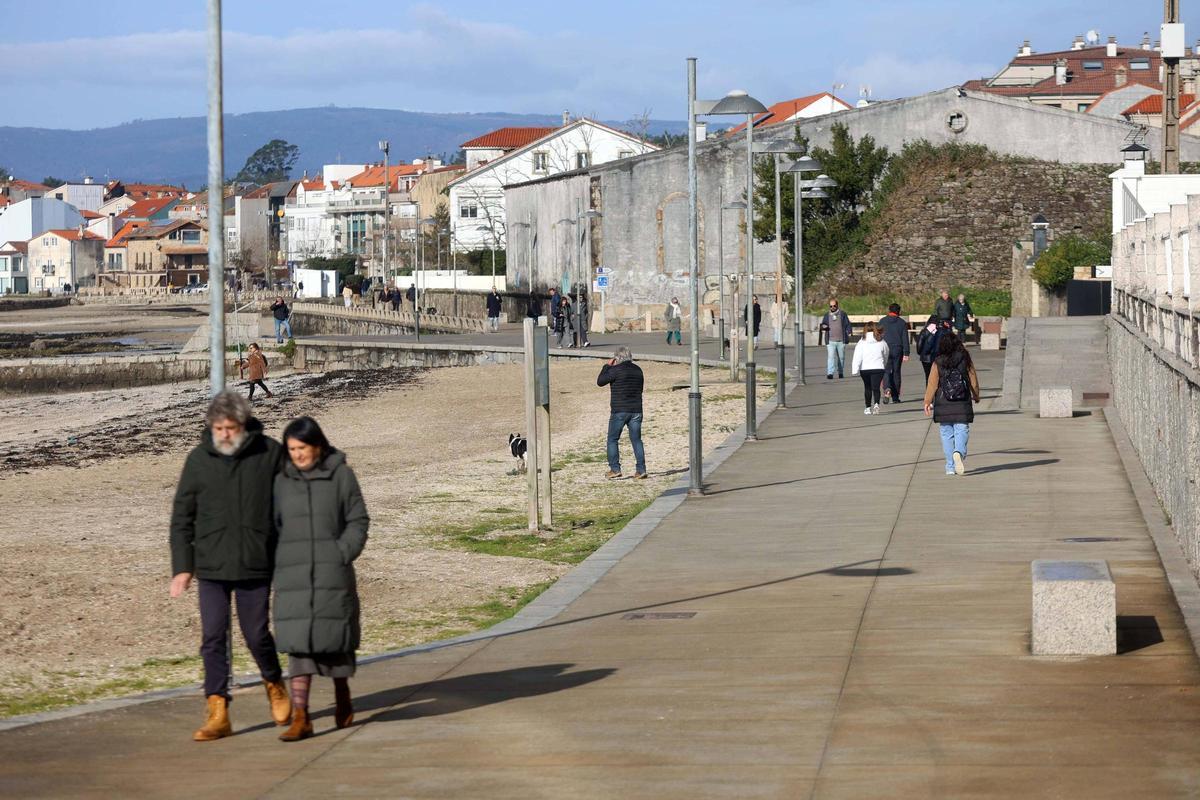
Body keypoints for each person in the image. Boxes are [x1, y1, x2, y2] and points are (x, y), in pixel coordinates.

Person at [169, 390, 291, 741]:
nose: (224, 433)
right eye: (218, 427)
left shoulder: (269, 454)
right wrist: (182, 567)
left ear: (243, 424)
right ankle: (217, 708)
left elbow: (291, 500)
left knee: (256, 634)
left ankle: (274, 683)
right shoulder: (198, 460)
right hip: (211, 565)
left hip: (256, 561)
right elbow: (182, 518)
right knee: (212, 636)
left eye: (230, 427)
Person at [272, 417, 369, 741]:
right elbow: (271, 524)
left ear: (317, 445)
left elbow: (358, 519)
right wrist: (277, 559)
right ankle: (302, 717)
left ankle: (342, 695)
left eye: (302, 448)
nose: (297, 455)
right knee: (298, 647)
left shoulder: (341, 475)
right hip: (293, 575)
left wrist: (342, 553)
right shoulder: (281, 480)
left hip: (331, 573)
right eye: (291, 449)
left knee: (335, 644)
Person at [924, 333, 981, 475]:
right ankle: (959, 452)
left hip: (944, 401)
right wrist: (976, 395)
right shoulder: (965, 358)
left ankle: (950, 466)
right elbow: (973, 378)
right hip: (962, 400)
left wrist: (927, 401)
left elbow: (932, 383)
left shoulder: (938, 361)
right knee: (962, 429)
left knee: (946, 433)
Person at [597, 346, 647, 479]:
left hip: (619, 410)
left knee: (612, 439)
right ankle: (641, 470)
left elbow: (600, 382)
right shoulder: (638, 370)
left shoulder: (615, 370)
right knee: (636, 440)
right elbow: (640, 388)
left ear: (616, 358)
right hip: (636, 410)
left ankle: (615, 469)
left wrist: (606, 366)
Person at [851, 321, 889, 415]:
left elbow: (857, 356)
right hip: (878, 367)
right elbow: (886, 353)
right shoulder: (881, 341)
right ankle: (876, 404)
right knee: (876, 387)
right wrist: (884, 363)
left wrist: (855, 369)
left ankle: (867, 408)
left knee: (867, 388)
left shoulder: (861, 342)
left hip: (865, 368)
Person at [877, 303, 910, 403]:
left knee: (886, 371)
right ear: (898, 311)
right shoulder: (902, 323)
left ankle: (887, 389)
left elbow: (878, 336)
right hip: (897, 349)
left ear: (889, 310)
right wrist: (906, 353)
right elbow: (905, 339)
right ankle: (895, 397)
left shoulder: (882, 321)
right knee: (896, 372)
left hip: (885, 348)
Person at [820, 298, 851, 379]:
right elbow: (823, 324)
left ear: (837, 305)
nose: (832, 307)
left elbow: (848, 324)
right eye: (831, 306)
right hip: (830, 341)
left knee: (841, 358)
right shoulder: (827, 315)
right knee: (831, 357)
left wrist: (849, 331)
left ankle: (840, 372)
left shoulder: (843, 314)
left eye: (834, 305)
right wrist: (824, 326)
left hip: (841, 340)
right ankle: (830, 373)